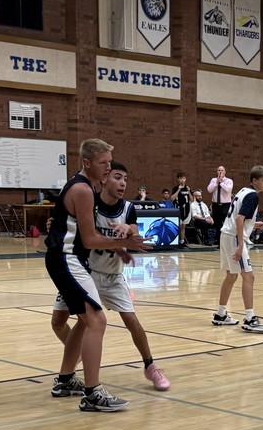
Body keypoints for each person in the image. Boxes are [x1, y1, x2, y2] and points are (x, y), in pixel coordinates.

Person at [44, 137, 144, 412]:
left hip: (67, 259)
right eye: (103, 163)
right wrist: (123, 244)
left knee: (85, 321)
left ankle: (65, 380)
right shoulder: (84, 190)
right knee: (97, 320)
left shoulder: (83, 185)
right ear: (87, 162)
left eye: (109, 163)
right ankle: (93, 393)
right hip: (67, 260)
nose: (107, 168)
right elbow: (89, 240)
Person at [51, 162, 170, 391]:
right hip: (86, 272)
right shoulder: (89, 200)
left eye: (125, 178)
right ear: (105, 179)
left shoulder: (128, 208)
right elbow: (84, 233)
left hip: (113, 276)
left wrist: (128, 231)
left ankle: (151, 366)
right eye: (117, 177)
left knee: (131, 321)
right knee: (58, 322)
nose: (123, 182)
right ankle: (81, 356)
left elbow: (134, 232)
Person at [212, 165, 263, 333]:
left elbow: (239, 217)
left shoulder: (243, 191)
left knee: (231, 276)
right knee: (249, 276)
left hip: (225, 234)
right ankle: (250, 319)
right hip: (233, 237)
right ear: (255, 180)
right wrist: (240, 245)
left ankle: (221, 314)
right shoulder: (253, 196)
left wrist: (251, 225)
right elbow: (239, 219)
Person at [207, 164, 234, 231]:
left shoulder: (229, 181)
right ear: (217, 172)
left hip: (225, 204)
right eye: (219, 170)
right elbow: (209, 190)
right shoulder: (213, 180)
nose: (220, 172)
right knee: (217, 223)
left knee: (225, 222)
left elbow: (228, 190)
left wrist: (221, 182)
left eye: (222, 170)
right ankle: (217, 239)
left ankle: (225, 239)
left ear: (225, 172)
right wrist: (216, 183)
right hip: (215, 204)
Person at [171, 172, 191, 248]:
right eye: (181, 178)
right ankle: (176, 241)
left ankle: (182, 241)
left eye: (184, 178)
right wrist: (179, 190)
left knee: (183, 226)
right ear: (178, 179)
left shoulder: (188, 188)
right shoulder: (175, 188)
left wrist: (189, 192)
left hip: (186, 208)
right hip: (178, 208)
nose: (182, 180)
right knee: (178, 225)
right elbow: (172, 198)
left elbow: (192, 199)